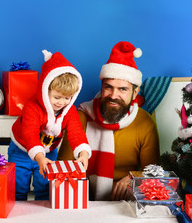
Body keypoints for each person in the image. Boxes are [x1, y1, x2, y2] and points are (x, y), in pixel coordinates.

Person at [58, 41, 160, 201]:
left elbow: (154, 173)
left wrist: (134, 178)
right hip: (82, 199)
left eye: (123, 89)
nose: (113, 95)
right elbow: (63, 168)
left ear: (135, 92)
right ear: (101, 85)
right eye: (108, 87)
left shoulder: (145, 123)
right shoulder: (81, 116)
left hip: (127, 201)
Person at [8, 49, 92, 201]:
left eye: (67, 98)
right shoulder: (32, 107)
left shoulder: (69, 111)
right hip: (21, 149)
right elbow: (30, 134)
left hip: (49, 152)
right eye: (57, 97)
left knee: (45, 187)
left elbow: (76, 133)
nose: (61, 103)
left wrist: (83, 153)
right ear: (45, 91)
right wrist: (39, 157)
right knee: (18, 186)